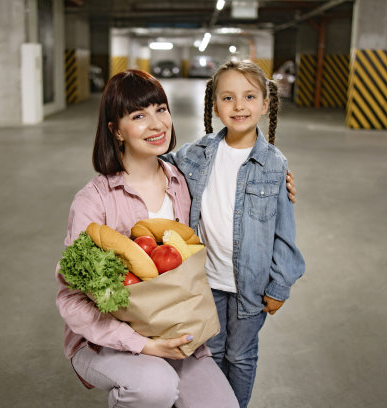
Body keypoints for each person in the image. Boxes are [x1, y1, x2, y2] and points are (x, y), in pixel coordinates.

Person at [55, 69, 241, 408]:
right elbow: (71, 299)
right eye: (138, 116)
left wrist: (278, 185)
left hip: (174, 333)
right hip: (106, 342)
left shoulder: (182, 183)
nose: (157, 125)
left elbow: (232, 180)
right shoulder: (94, 200)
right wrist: (143, 345)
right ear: (116, 130)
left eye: (160, 109)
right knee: (155, 386)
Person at [161, 59, 306, 408]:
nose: (239, 106)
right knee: (209, 355)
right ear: (214, 105)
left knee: (240, 356)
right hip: (205, 283)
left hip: (251, 289)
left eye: (249, 96)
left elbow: (285, 233)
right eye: (228, 97)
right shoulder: (195, 155)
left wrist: (280, 284)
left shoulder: (274, 164)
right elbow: (158, 165)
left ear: (265, 104)